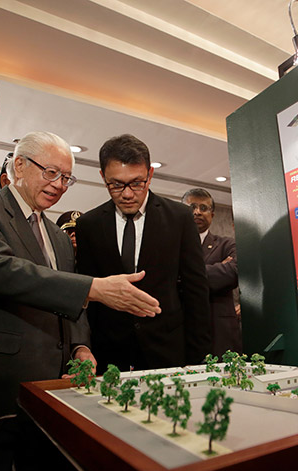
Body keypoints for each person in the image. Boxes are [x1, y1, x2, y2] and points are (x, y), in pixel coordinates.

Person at [0, 131, 159, 471]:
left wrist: (80, 347)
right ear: (20, 166)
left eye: (66, 178)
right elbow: (0, 272)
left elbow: (63, 298)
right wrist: (96, 288)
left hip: (49, 389)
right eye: (51, 173)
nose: (59, 186)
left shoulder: (58, 236)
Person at [76, 134, 210, 373]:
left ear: (150, 174)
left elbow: (196, 291)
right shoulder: (89, 224)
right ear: (102, 176)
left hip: (167, 351)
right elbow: (88, 297)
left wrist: (197, 358)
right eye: (116, 184)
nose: (127, 194)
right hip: (108, 353)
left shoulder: (179, 218)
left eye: (137, 183)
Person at [182, 188, 242, 355]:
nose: (197, 212)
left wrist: (183, 275)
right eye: (192, 207)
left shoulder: (227, 245)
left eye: (204, 208)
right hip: (181, 335)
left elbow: (234, 272)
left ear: (212, 215)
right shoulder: (170, 246)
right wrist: (218, 268)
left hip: (220, 335)